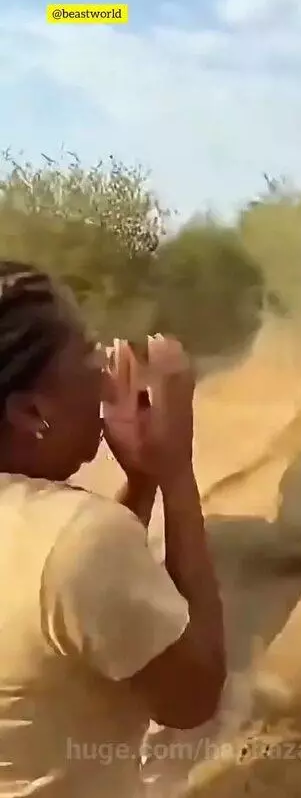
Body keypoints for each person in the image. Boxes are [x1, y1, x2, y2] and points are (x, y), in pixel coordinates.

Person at [0, 261, 226, 796]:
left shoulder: (63, 541)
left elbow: (77, 602)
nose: (107, 379)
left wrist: (143, 481)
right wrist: (176, 471)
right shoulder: (78, 539)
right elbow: (192, 697)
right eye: (88, 357)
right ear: (32, 412)